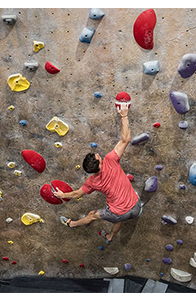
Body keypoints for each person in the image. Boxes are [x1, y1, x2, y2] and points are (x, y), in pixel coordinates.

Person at [57, 100, 142, 244]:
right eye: (97, 156)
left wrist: (62, 195)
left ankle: (72, 224)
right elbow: (126, 139)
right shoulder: (111, 159)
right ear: (100, 162)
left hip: (119, 213)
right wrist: (124, 115)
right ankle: (109, 237)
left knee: (93, 215)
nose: (98, 154)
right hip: (136, 206)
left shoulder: (92, 182)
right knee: (121, 217)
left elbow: (77, 194)